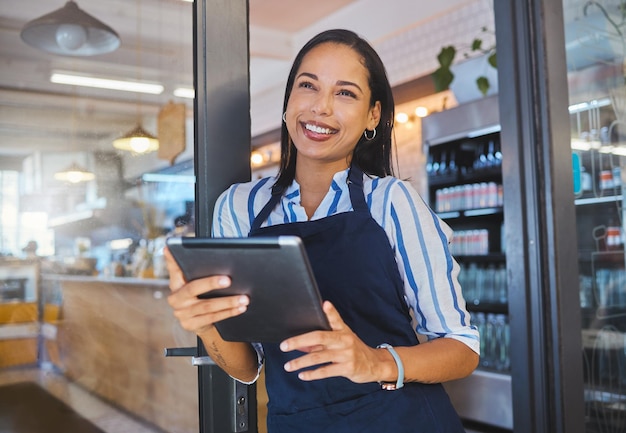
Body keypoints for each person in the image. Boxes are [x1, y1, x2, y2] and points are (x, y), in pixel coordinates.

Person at [165, 28, 479, 432]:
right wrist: (206, 323)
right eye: (308, 86)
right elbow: (248, 368)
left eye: (345, 93)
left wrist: (374, 362)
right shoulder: (240, 208)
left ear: (373, 115)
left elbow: (462, 348)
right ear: (288, 103)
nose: (321, 108)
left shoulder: (391, 202)